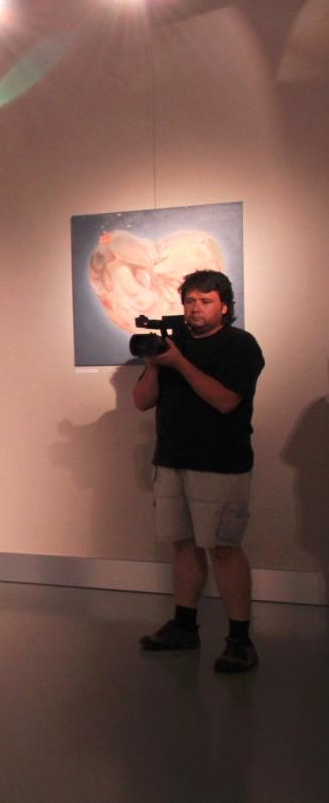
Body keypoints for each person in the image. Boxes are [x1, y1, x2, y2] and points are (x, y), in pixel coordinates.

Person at [132, 269, 264, 673]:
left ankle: (240, 640)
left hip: (220, 464)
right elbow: (141, 401)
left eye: (205, 301)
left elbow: (225, 401)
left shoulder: (239, 345)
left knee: (223, 548)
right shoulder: (176, 345)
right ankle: (184, 627)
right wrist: (157, 364)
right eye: (190, 301)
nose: (195, 308)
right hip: (172, 459)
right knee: (183, 545)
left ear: (224, 306)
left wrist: (180, 363)